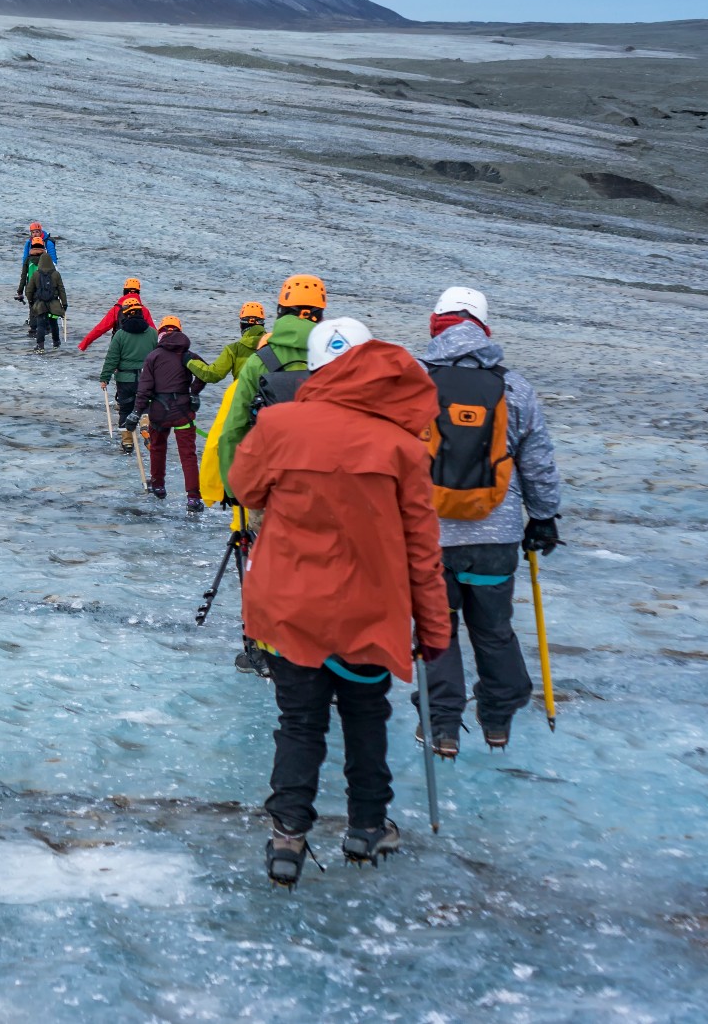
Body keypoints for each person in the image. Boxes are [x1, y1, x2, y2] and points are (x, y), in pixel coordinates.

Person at [226, 318, 452, 886]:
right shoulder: (404, 444)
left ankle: (287, 837)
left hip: (292, 607)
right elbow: (423, 551)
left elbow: (246, 487)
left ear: (318, 368)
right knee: (365, 716)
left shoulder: (279, 424)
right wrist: (433, 630)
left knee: (299, 721)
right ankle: (367, 826)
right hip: (368, 611)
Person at [416, 286, 563, 756]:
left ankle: (441, 726)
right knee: (495, 629)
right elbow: (537, 460)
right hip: (495, 537)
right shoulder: (514, 386)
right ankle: (496, 719)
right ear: (484, 330)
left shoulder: (414, 381)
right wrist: (543, 518)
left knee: (437, 630)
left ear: (436, 325)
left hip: (429, 537)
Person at [216, 275, 328, 497]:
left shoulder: (259, 361)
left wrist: (233, 490)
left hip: (271, 481)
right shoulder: (335, 357)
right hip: (325, 481)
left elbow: (233, 430)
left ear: (280, 311)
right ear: (319, 314)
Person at [132, 316, 204, 504]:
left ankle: (158, 485)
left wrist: (136, 412)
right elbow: (205, 373)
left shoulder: (153, 357)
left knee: (157, 448)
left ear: (160, 334)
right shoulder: (189, 355)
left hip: (159, 413)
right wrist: (194, 393)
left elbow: (144, 388)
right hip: (183, 412)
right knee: (188, 454)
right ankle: (193, 497)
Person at [96, 293, 157, 451]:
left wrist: (105, 377)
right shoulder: (152, 333)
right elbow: (159, 358)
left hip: (125, 379)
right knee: (145, 406)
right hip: (147, 378)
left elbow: (112, 358)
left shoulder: (120, 335)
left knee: (125, 409)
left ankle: (128, 442)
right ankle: (145, 422)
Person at [187, 301, 267, 386]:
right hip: (273, 398)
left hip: (242, 397)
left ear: (241, 325)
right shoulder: (275, 345)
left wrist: (188, 361)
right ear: (263, 325)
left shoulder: (233, 349)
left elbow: (212, 375)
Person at [21, 237, 67, 349]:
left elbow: (29, 290)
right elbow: (61, 290)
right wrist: (64, 304)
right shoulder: (56, 274)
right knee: (53, 323)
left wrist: (31, 301)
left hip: (40, 302)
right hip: (54, 303)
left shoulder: (36, 274)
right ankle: (56, 343)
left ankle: (40, 346)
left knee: (40, 324)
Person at [76, 278, 145, 351]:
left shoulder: (116, 309)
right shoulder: (144, 310)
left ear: (124, 291)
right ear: (138, 292)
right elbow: (153, 332)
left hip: (119, 347)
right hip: (139, 348)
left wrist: (84, 344)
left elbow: (100, 329)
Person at [13, 222, 58, 301]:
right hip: (32, 272)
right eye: (33, 232)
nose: (35, 234)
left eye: (37, 232)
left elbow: (53, 261)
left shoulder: (48, 243)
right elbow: (25, 259)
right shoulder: (28, 243)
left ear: (41, 232)